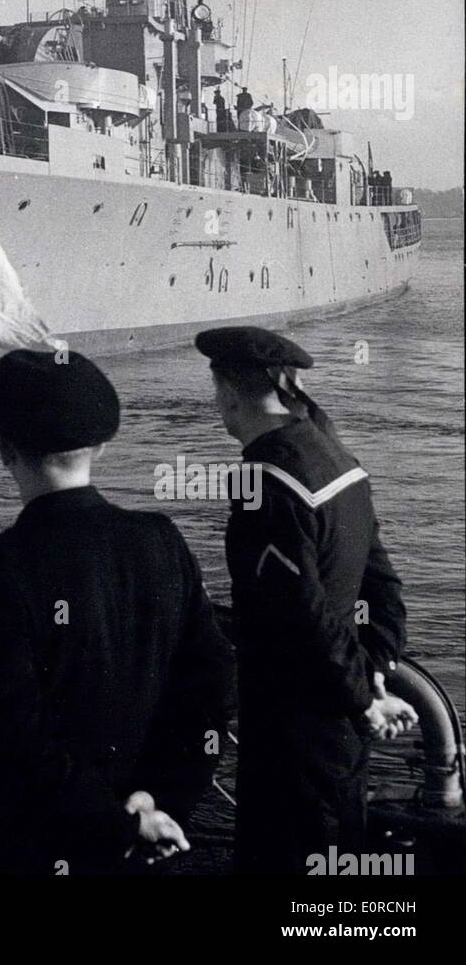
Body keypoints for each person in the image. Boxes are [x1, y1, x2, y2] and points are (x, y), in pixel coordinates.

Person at [0, 348, 234, 876]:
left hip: (27, 845)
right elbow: (213, 685)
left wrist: (114, 824)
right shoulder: (162, 542)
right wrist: (158, 803)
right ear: (101, 449)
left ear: (4, 450)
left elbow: (10, 738)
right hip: (146, 834)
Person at [194, 326, 417, 874]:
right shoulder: (341, 462)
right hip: (342, 718)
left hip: (294, 724)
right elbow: (383, 590)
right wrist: (375, 675)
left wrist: (363, 697)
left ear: (226, 393)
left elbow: (298, 611)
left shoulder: (265, 480)